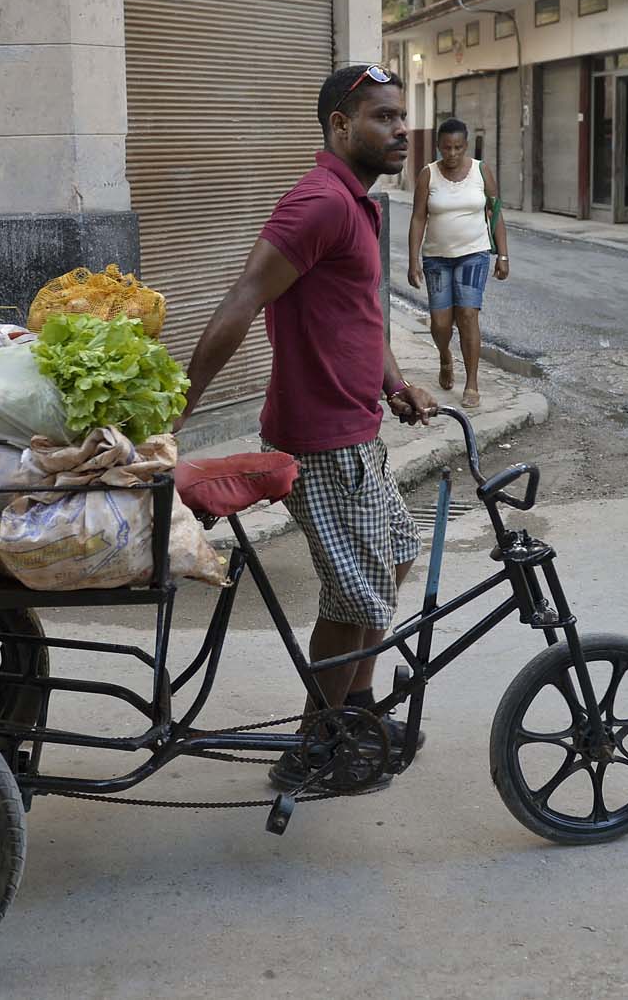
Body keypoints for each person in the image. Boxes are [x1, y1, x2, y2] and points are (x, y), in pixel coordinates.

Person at [179, 63, 437, 792]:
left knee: (392, 557)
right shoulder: (319, 202)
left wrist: (395, 383)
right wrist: (180, 407)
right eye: (383, 117)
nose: (400, 131)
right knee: (355, 596)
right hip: (322, 443)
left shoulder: (359, 204)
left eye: (400, 117)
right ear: (339, 126)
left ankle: (354, 711)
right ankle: (316, 746)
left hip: (358, 433)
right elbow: (242, 299)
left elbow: (361, 315)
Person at [406, 117, 508, 410]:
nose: (452, 154)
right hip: (436, 257)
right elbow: (418, 218)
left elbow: (496, 213)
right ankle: (444, 356)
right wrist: (413, 261)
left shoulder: (481, 171)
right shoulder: (428, 175)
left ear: (466, 147)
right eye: (446, 148)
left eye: (458, 148)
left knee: (467, 315)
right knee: (440, 322)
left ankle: (472, 383)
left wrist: (502, 254)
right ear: (438, 146)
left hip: (473, 254)